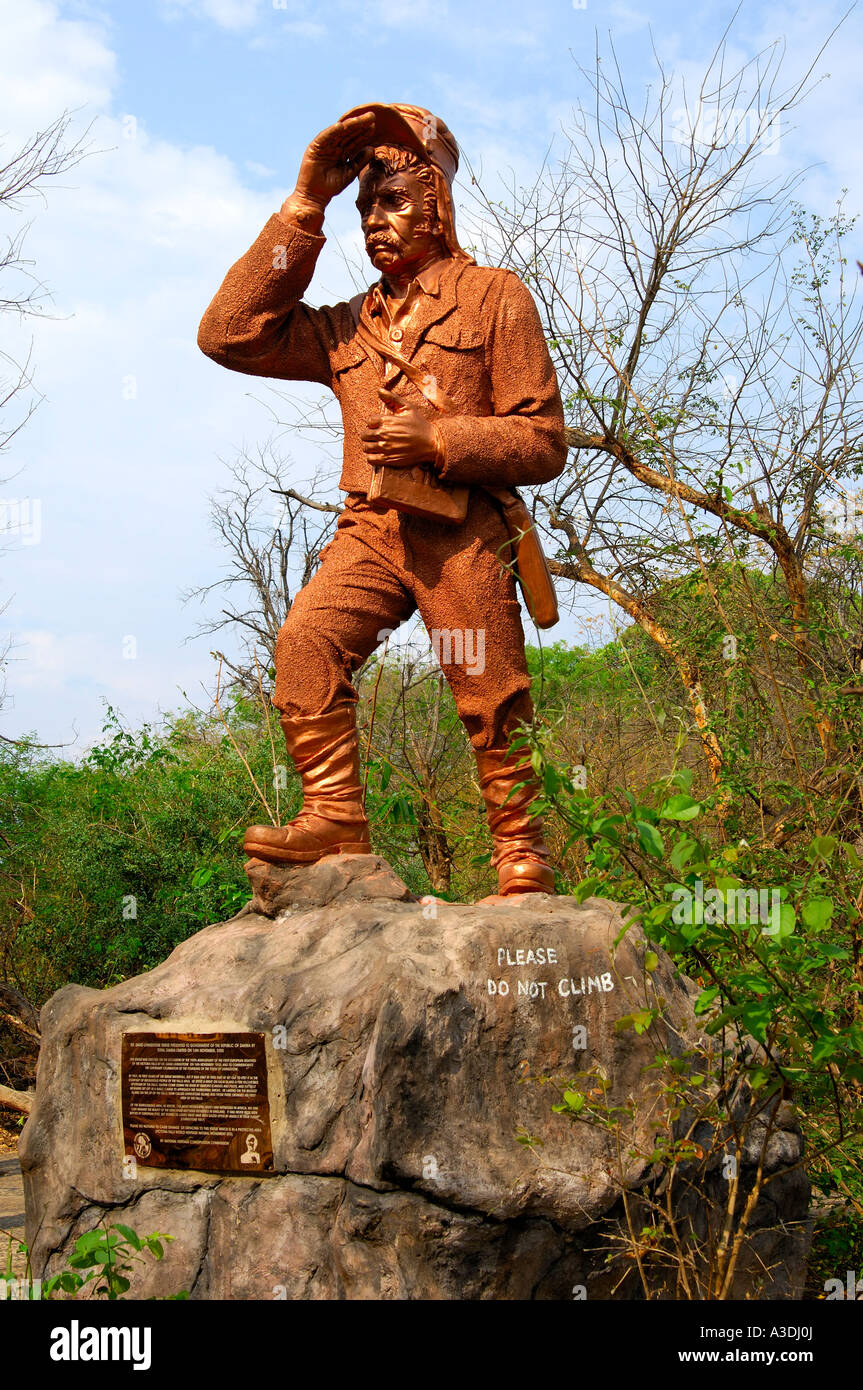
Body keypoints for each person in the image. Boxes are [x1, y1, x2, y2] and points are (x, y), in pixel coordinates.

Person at [198, 103, 566, 898]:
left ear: (436, 203)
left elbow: (542, 441)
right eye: (364, 206)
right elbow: (228, 334)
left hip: (460, 530)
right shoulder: (345, 327)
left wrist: (442, 440)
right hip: (371, 529)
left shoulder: (494, 297)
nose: (374, 221)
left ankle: (519, 850)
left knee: (488, 688)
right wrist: (305, 202)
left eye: (391, 202)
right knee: (305, 642)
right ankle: (334, 819)